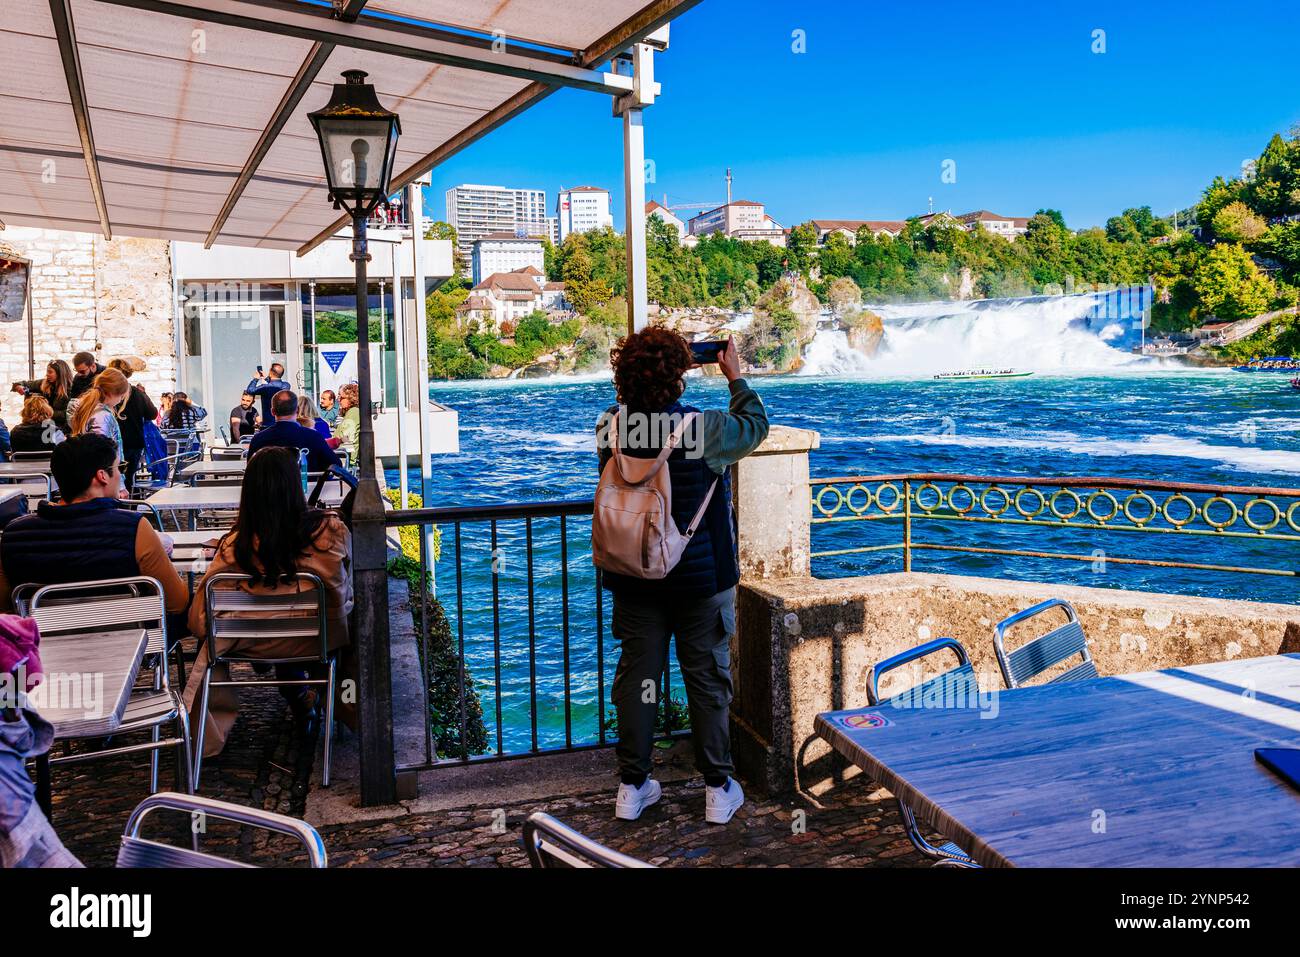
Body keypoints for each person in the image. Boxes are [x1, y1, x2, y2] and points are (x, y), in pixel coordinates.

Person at [596, 329, 768, 826]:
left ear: (624, 375)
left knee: (638, 680)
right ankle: (717, 788)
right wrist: (734, 375)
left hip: (632, 575)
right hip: (699, 579)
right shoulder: (702, 427)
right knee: (707, 680)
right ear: (680, 375)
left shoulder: (610, 425)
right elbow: (755, 426)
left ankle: (632, 786)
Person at [182, 447, 353, 761]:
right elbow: (343, 592)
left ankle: (300, 695)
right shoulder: (329, 532)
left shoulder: (235, 546)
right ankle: (330, 701)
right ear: (294, 486)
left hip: (251, 644)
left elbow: (199, 617)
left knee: (272, 620)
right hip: (317, 641)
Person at [0, 433, 189, 624]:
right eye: (119, 468)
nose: (121, 474)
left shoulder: (13, 535)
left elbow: (5, 607)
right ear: (102, 476)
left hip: (44, 647)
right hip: (130, 644)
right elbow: (177, 602)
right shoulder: (134, 528)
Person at [247, 390, 340, 473]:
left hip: (270, 490)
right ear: (297, 410)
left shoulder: (258, 439)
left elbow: (250, 470)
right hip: (307, 488)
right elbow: (336, 464)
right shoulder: (313, 436)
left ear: (272, 411)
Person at [106, 359, 157, 494]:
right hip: (134, 441)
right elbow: (152, 413)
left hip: (115, 441)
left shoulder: (107, 394)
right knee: (129, 478)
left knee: (113, 477)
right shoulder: (137, 393)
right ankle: (131, 507)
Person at [67, 368, 131, 465]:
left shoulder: (87, 408)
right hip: (105, 475)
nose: (120, 401)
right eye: (121, 397)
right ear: (111, 393)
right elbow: (102, 454)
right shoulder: (102, 416)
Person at [10, 360, 73, 435]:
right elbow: (24, 384)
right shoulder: (43, 383)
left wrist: (45, 412)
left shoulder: (71, 390)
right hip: (42, 426)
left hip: (61, 429)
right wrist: (19, 386)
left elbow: (69, 414)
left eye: (50, 372)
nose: (47, 375)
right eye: (47, 371)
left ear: (60, 373)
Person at [244, 362, 290, 426]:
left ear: (271, 372)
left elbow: (250, 390)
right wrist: (267, 378)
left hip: (268, 424)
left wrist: (255, 379)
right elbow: (275, 385)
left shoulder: (265, 387)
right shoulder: (286, 386)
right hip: (283, 423)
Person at [334, 383, 360, 460]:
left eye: (341, 397)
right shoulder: (352, 412)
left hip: (344, 457)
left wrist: (326, 443)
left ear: (351, 398)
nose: (338, 400)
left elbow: (345, 437)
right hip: (344, 454)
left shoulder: (353, 412)